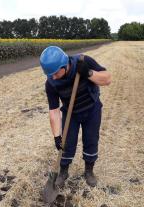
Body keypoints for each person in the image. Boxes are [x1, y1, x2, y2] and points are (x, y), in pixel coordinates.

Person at [40, 46, 111, 187]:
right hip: (70, 113)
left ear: (64, 65)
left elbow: (107, 79)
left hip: (92, 108)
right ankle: (63, 172)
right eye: (49, 75)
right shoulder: (51, 83)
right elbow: (54, 110)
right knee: (66, 143)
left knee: (91, 139)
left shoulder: (83, 61)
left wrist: (89, 73)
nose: (53, 77)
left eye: (55, 73)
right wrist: (56, 136)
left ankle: (89, 171)